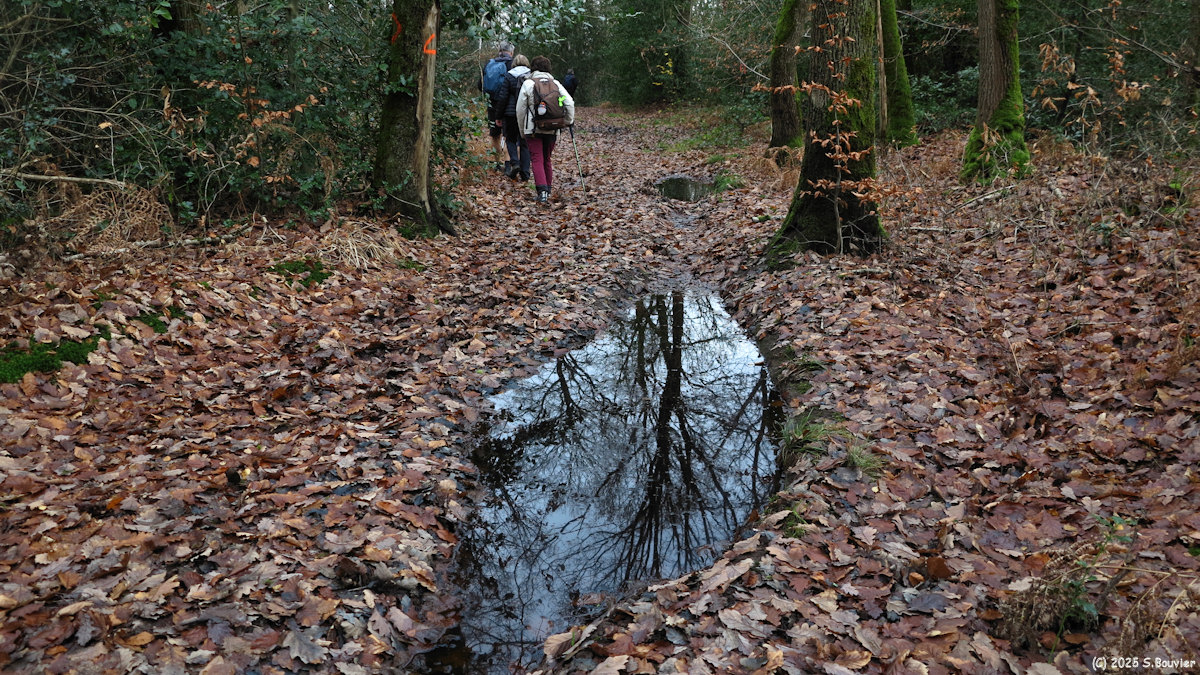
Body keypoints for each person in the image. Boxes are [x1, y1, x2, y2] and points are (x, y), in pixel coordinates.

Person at [515, 56, 575, 203]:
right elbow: (569, 103)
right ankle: (547, 189)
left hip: (533, 128)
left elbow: (520, 109)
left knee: (537, 158)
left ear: (533, 68)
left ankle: (542, 192)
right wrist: (566, 122)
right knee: (547, 159)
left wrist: (523, 130)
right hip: (553, 127)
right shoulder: (556, 84)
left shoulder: (528, 83)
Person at [497, 55, 532, 182]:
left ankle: (515, 162)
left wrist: (499, 115)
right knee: (525, 143)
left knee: (510, 140)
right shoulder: (530, 76)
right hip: (526, 114)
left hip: (510, 114)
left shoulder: (509, 75)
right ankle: (525, 172)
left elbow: (503, 97)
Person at [481, 43, 514, 171]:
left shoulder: (490, 64)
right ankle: (507, 163)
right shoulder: (511, 64)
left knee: (495, 135)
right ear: (510, 52)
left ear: (499, 51)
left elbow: (481, 84)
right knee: (508, 135)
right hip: (507, 105)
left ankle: (496, 163)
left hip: (492, 103)